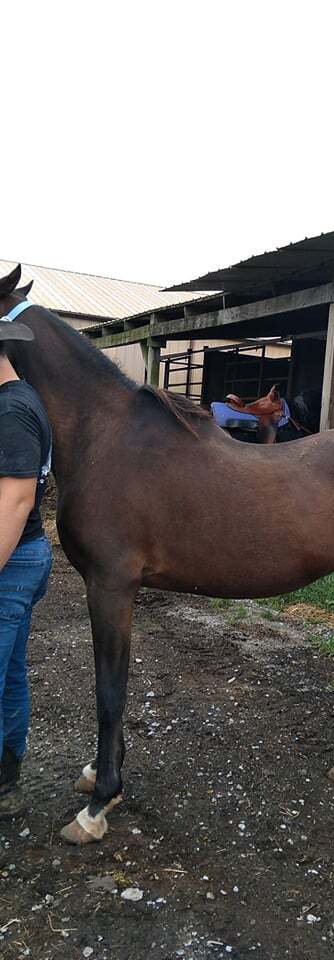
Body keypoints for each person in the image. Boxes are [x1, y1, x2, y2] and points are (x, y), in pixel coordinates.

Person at [0, 310, 52, 817]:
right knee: (10, 673)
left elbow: (16, 502)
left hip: (11, 562)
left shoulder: (11, 410)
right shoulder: (21, 399)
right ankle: (6, 785)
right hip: (23, 559)